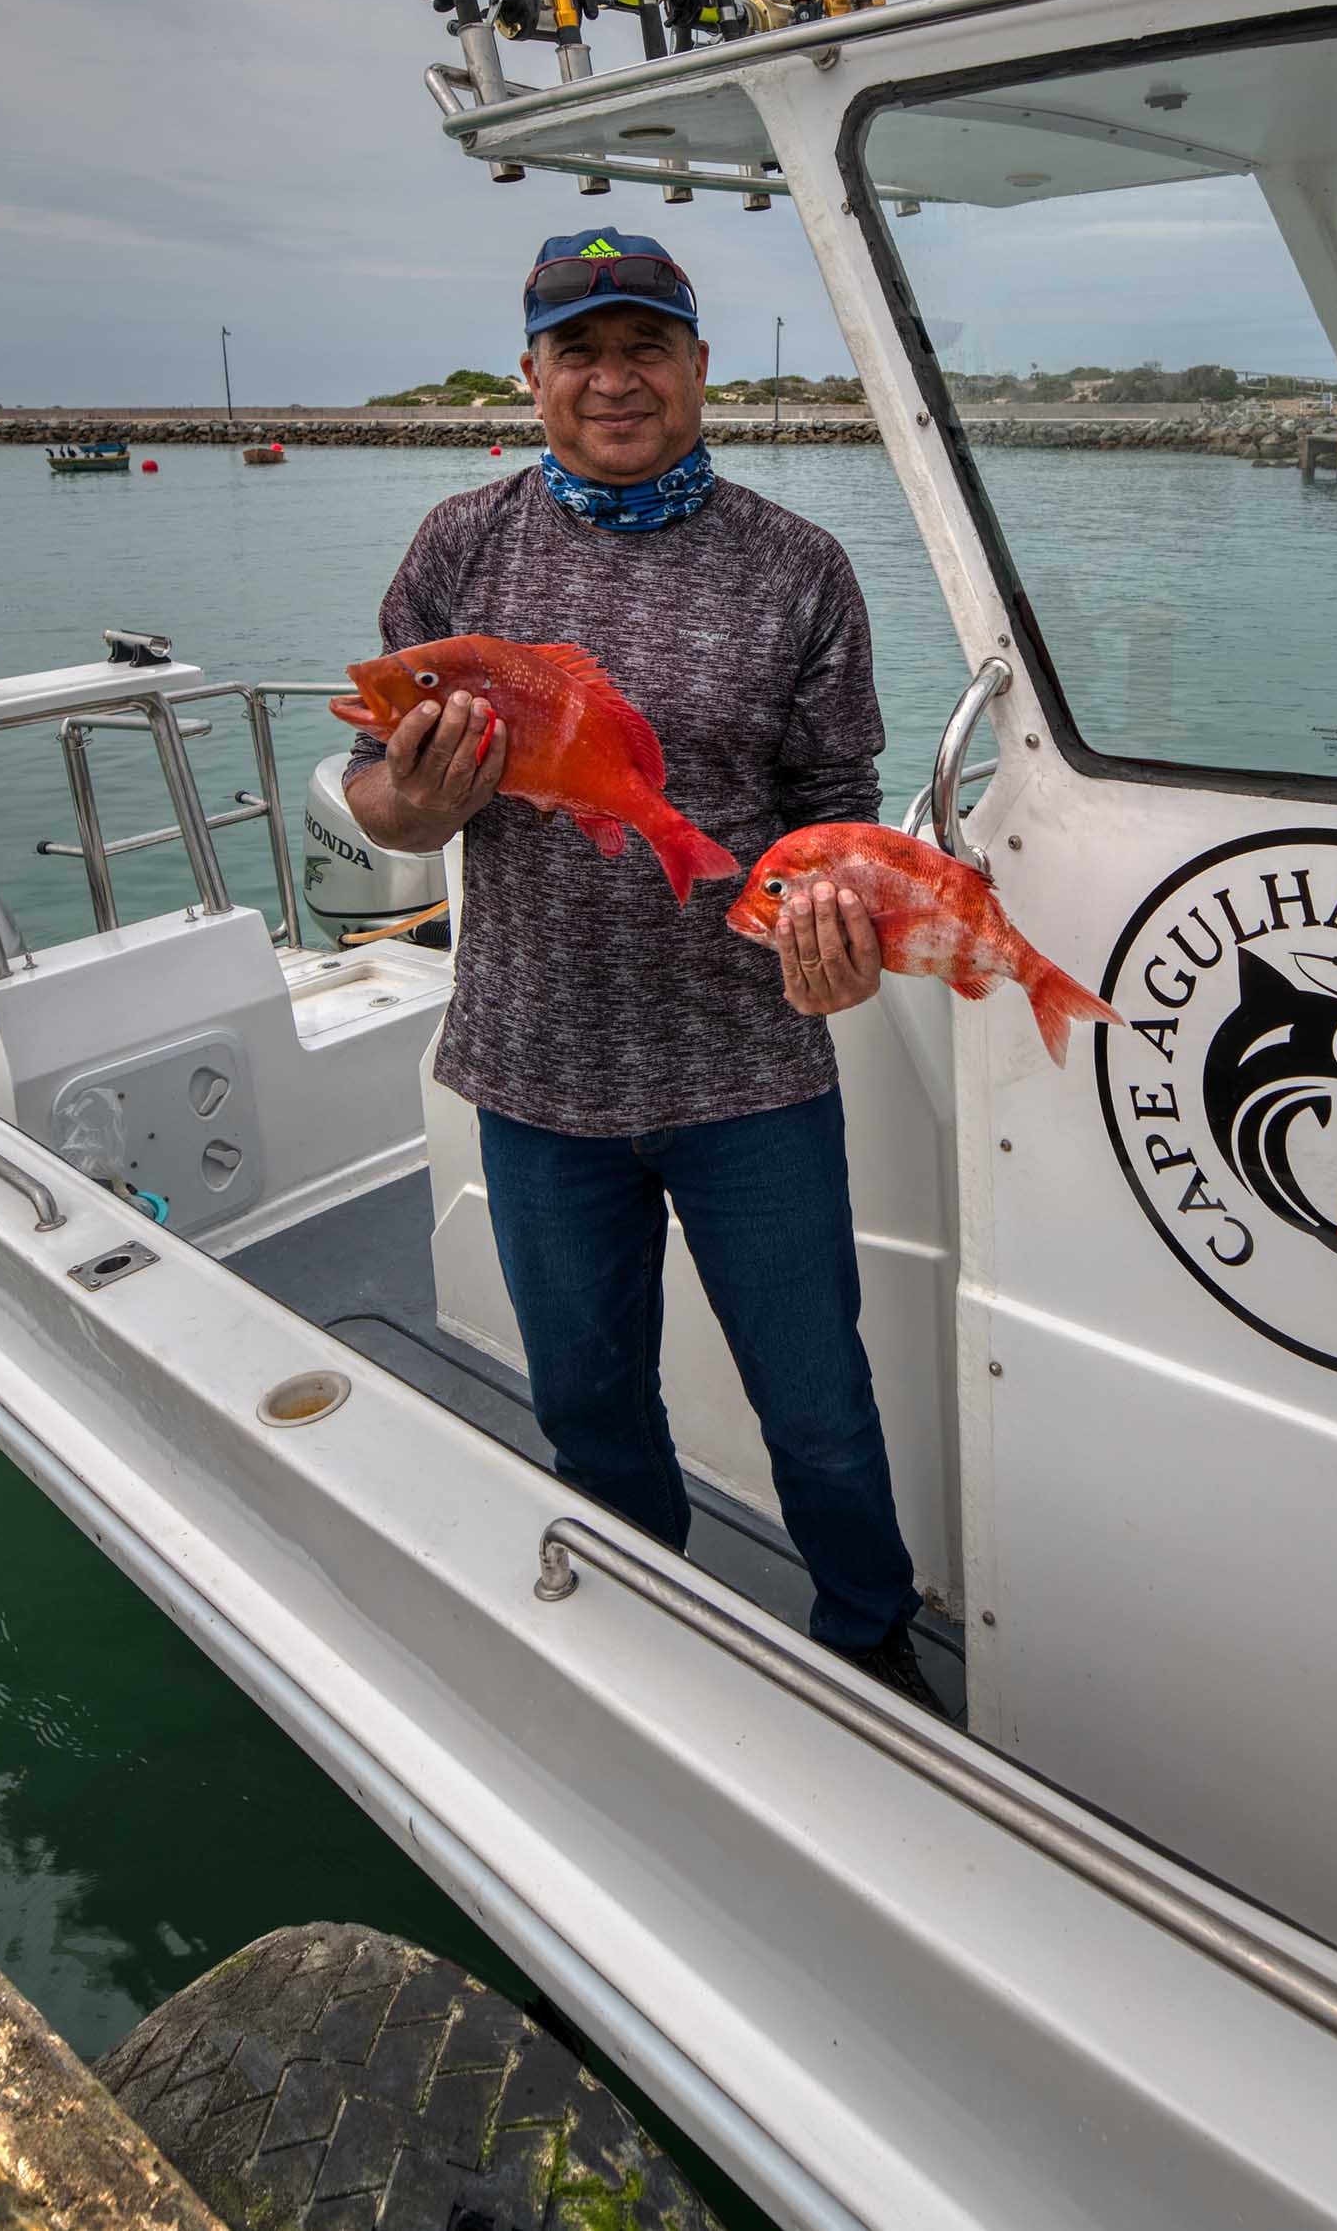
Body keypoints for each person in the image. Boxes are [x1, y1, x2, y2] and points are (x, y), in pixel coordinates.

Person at [343, 231, 940, 1711]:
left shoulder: (799, 566)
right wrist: (416, 796)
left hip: (753, 1071)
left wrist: (844, 949)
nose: (615, 380)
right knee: (590, 1405)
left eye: (646, 347)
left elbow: (835, 809)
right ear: (531, 374)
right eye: (581, 353)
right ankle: (644, 1639)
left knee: (818, 1404)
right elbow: (380, 799)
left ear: (697, 366)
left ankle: (870, 1637)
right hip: (535, 1072)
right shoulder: (458, 548)